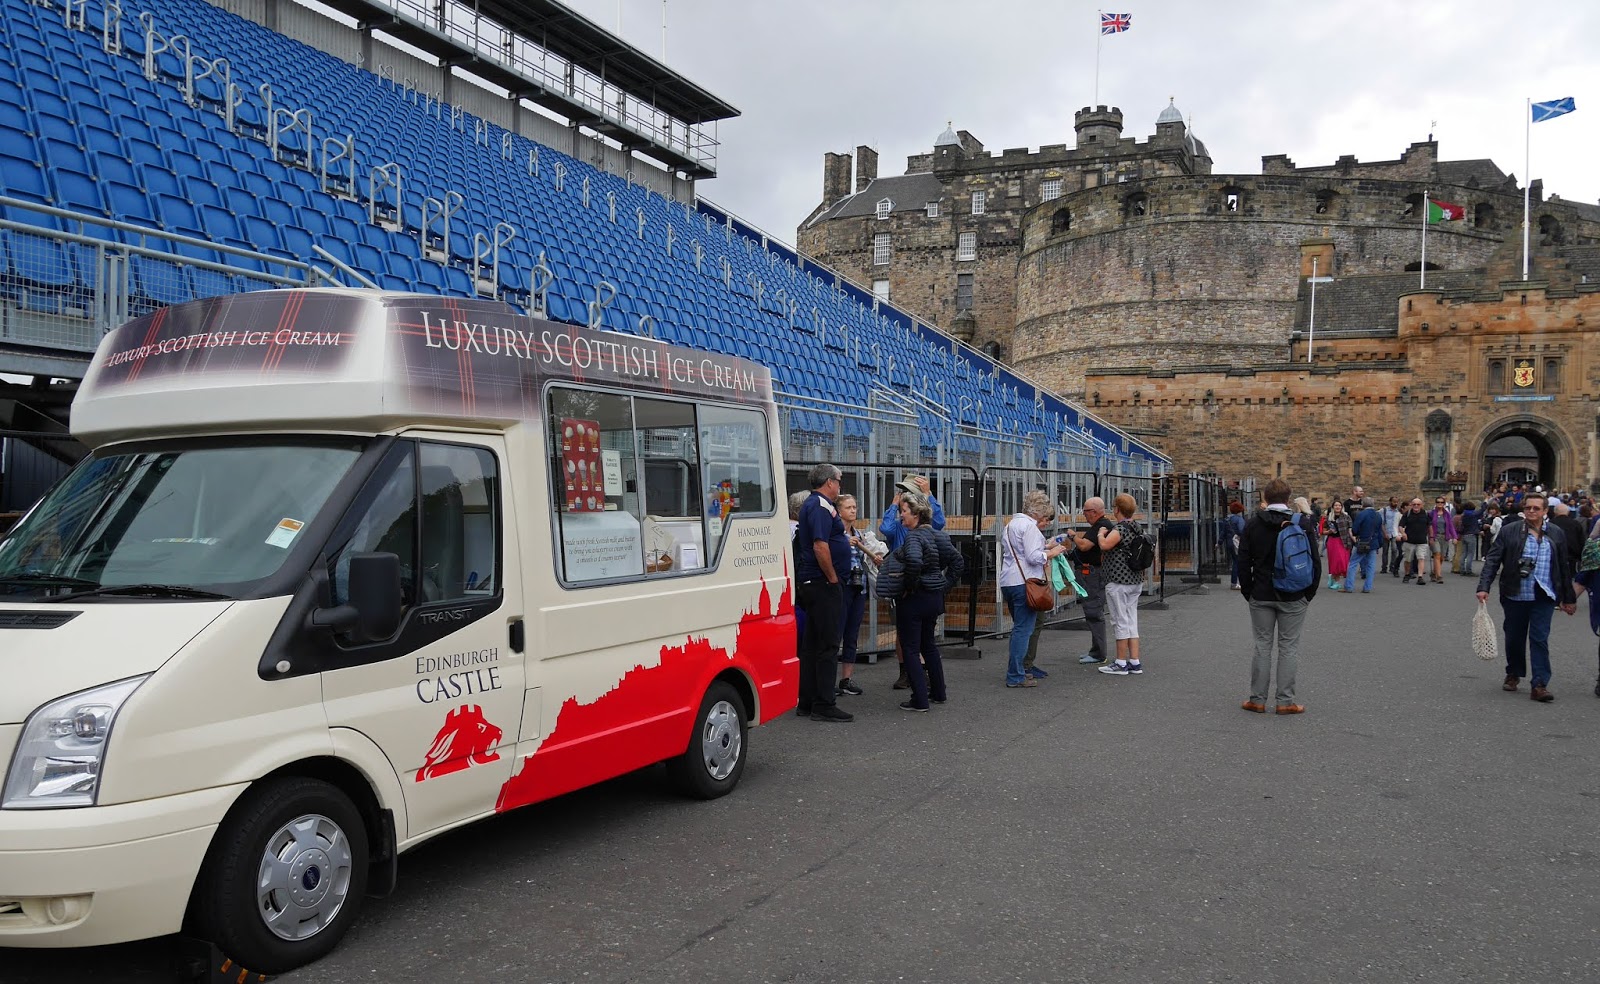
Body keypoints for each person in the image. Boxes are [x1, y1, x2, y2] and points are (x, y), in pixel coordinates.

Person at [1477, 491, 1578, 702]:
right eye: (1528, 508)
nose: (1531, 511)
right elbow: (1493, 560)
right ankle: (1514, 672)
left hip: (1545, 594)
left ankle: (1540, 683)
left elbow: (1564, 567)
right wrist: (1484, 586)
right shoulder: (1510, 531)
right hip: (1516, 592)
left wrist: (1568, 598)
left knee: (1539, 638)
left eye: (1536, 508)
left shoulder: (1557, 533)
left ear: (1545, 511)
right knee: (1514, 637)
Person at [1237, 478, 1321, 714]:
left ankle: (1257, 699)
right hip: (1294, 594)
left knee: (1262, 646)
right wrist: (1308, 594)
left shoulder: (1253, 524)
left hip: (1261, 592)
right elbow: (1315, 561)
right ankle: (1285, 701)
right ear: (1288, 498)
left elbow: (1243, 561)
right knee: (1288, 647)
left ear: (1265, 498)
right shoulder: (1301, 523)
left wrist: (1248, 591)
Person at [793, 463, 853, 723]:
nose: (840, 485)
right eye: (839, 480)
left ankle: (807, 700)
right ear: (829, 482)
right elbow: (820, 546)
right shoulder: (819, 506)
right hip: (821, 583)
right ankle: (824, 702)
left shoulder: (817, 505)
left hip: (814, 583)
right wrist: (832, 578)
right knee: (827, 644)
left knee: (812, 645)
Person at [895, 494, 964, 711]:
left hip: (916, 598)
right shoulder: (939, 535)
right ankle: (938, 692)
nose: (901, 516)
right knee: (929, 645)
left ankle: (920, 700)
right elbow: (958, 561)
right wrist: (943, 585)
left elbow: (914, 561)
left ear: (915, 514)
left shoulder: (913, 537)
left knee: (911, 648)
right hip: (934, 597)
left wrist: (910, 586)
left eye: (904, 511)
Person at [879, 474, 946, 689]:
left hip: (920, 583)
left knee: (922, 634)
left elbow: (939, 522)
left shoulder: (922, 519)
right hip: (901, 581)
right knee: (903, 631)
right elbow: (886, 529)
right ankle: (906, 671)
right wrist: (894, 505)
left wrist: (929, 495)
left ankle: (922, 673)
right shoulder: (900, 520)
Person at [999, 488, 1068, 688]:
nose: (1045, 519)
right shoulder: (1029, 527)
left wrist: (1045, 547)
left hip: (1009, 581)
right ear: (1037, 512)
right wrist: (1052, 552)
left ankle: (1018, 671)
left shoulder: (1011, 525)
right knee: (1023, 630)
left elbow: (1020, 552)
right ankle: (1016, 674)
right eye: (1045, 514)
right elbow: (1032, 557)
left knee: (1019, 629)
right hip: (1025, 583)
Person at [1096, 493, 1147, 676]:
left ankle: (1120, 663)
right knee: (1131, 620)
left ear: (1117, 509)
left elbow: (1105, 545)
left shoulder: (1120, 528)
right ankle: (1134, 661)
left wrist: (1101, 534)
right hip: (1135, 580)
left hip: (1118, 580)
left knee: (1119, 620)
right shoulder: (1137, 527)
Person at [835, 494, 877, 698]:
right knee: (836, 633)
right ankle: (827, 680)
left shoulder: (859, 534)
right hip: (842, 588)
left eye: (855, 507)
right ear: (839, 510)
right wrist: (844, 543)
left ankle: (846, 679)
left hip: (859, 588)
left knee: (852, 634)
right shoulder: (834, 535)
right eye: (848, 507)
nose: (853, 510)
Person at [1070, 496, 1115, 666]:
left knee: (1094, 612)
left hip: (1094, 574)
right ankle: (1096, 651)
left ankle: (1099, 653)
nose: (1084, 515)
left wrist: (1073, 536)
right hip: (1092, 573)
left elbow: (1084, 546)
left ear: (1094, 512)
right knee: (1093, 611)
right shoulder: (1101, 525)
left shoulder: (1101, 526)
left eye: (1085, 511)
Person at [1344, 496, 1382, 593]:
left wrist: (1356, 534)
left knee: (1353, 564)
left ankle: (1349, 586)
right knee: (1371, 565)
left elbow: (1355, 529)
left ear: (1363, 504)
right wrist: (1379, 543)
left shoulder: (1361, 514)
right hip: (1373, 543)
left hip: (1362, 541)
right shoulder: (1378, 515)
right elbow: (1379, 531)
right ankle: (1367, 587)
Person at [1399, 497, 1431, 585]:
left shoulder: (1426, 514)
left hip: (1422, 541)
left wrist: (1431, 537)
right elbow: (1401, 526)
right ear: (1411, 505)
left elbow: (1430, 526)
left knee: (1421, 558)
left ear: (1421, 505)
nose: (1416, 506)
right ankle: (1407, 574)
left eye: (1418, 504)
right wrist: (1403, 533)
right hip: (1409, 541)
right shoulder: (1407, 514)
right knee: (1408, 560)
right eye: (1414, 504)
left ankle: (1420, 577)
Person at [1321, 499, 1351, 590]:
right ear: (1333, 507)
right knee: (1334, 562)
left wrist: (1353, 539)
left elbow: (1350, 529)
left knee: (1341, 562)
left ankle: (1334, 578)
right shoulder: (1328, 518)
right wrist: (1329, 531)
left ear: (1342, 507)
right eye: (1336, 505)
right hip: (1332, 541)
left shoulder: (1346, 517)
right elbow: (1323, 531)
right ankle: (1336, 580)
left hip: (1343, 541)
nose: (1337, 507)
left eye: (1339, 505)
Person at [1428, 496, 1457, 583]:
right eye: (1438, 502)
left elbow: (1450, 526)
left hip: (1444, 537)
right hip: (1435, 536)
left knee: (1442, 557)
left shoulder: (1446, 514)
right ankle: (1439, 576)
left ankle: (1434, 572)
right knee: (1437, 554)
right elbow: (1428, 526)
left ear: (1444, 504)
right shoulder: (1431, 514)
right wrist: (1430, 537)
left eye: (1441, 502)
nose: (1440, 504)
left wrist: (1454, 536)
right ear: (1435, 503)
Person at [1224, 500, 1247, 590]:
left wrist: (1219, 542)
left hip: (1229, 542)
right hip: (1236, 543)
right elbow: (1242, 531)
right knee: (1237, 562)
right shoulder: (1239, 519)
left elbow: (1223, 533)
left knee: (1235, 561)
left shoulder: (1227, 519)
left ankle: (1235, 582)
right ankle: (1234, 583)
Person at [1456, 501, 1482, 576]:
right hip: (1471, 535)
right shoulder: (1472, 515)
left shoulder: (1463, 515)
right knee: (1470, 554)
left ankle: (1462, 569)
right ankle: (1468, 570)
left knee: (1464, 553)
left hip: (1464, 535)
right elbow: (1481, 510)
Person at [1381, 496, 1404, 577]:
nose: (1395, 503)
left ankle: (1392, 566)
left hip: (1394, 533)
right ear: (1390, 501)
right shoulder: (1384, 510)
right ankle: (1384, 567)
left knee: (1394, 550)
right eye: (1394, 502)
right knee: (1385, 551)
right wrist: (1384, 533)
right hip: (1386, 532)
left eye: (1397, 502)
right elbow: (1382, 523)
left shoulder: (1398, 511)